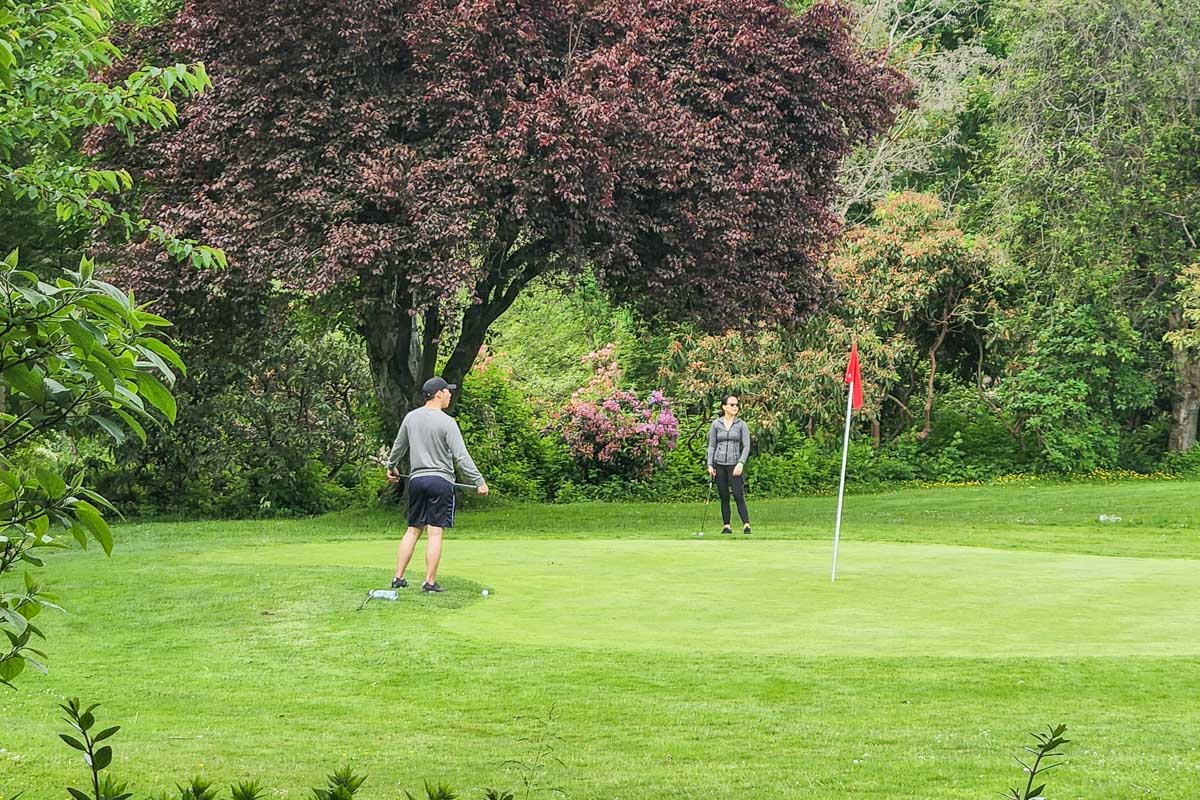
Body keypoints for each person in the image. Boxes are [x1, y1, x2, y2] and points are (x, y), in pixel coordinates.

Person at [385, 376, 488, 592]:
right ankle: (429, 582)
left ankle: (398, 578)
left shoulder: (410, 418)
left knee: (413, 530)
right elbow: (461, 456)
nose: (450, 394)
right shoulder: (447, 422)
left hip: (416, 480)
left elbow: (398, 446)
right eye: (447, 391)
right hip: (440, 481)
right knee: (435, 532)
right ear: (438, 394)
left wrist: (391, 466)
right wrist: (479, 481)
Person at [706, 394, 751, 534]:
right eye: (732, 405)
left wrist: (741, 463)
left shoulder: (741, 425)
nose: (735, 407)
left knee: (738, 494)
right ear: (724, 406)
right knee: (724, 495)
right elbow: (712, 446)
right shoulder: (716, 424)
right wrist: (710, 464)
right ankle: (727, 526)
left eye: (736, 405)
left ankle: (746, 525)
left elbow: (746, 446)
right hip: (719, 464)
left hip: (734, 464)